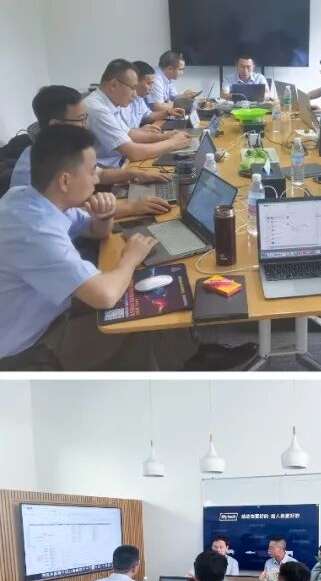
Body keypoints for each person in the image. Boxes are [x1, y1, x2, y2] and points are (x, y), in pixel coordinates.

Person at [0, 125, 204, 370]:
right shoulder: (35, 231)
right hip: (30, 348)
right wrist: (130, 258)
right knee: (145, 320)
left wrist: (104, 215)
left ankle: (189, 352)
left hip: (51, 307)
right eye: (92, 172)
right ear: (65, 181)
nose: (97, 179)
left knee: (144, 291)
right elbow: (104, 296)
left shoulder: (29, 197)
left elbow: (96, 231)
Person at [9, 85, 173, 220]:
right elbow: (63, 215)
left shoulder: (64, 148)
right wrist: (131, 207)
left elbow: (100, 174)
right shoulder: (35, 166)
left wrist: (132, 174)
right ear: (56, 125)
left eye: (86, 117)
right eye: (81, 119)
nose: (86, 125)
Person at [86, 59, 191, 168]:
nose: (135, 94)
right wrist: (173, 143)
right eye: (132, 88)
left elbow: (130, 134)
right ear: (114, 84)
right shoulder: (98, 109)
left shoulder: (111, 103)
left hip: (123, 162)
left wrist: (167, 136)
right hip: (112, 171)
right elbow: (134, 153)